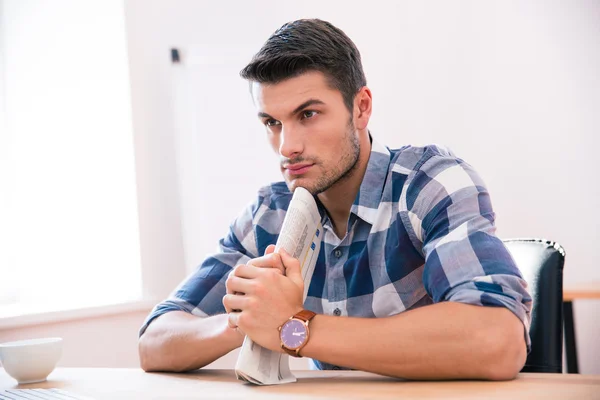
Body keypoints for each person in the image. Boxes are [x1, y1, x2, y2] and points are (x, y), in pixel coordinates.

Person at [138, 18, 531, 380]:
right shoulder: (269, 212)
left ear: (361, 108)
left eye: (307, 114)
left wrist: (293, 326)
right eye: (273, 123)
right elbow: (154, 341)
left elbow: (497, 340)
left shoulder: (429, 183)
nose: (286, 147)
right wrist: (249, 316)